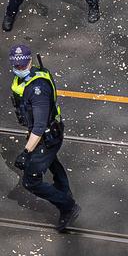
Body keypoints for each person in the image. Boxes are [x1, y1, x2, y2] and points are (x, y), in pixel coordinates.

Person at [9, 44, 81, 232]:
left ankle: (67, 206)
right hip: (48, 134)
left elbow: (40, 127)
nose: (20, 69)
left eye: (23, 65)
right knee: (51, 162)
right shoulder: (31, 77)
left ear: (30, 62)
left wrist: (26, 152)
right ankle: (63, 188)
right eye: (17, 65)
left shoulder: (37, 89)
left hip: (46, 137)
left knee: (31, 181)